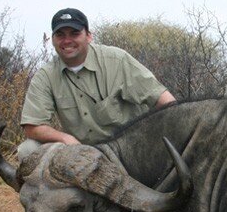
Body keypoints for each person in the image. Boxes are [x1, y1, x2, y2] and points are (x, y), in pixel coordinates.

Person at [19, 8, 175, 157]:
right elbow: (32, 127)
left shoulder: (117, 60)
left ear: (88, 36)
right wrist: (66, 139)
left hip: (131, 151)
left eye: (74, 33)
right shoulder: (45, 75)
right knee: (28, 149)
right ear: (52, 39)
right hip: (81, 154)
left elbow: (166, 101)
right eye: (60, 34)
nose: (67, 40)